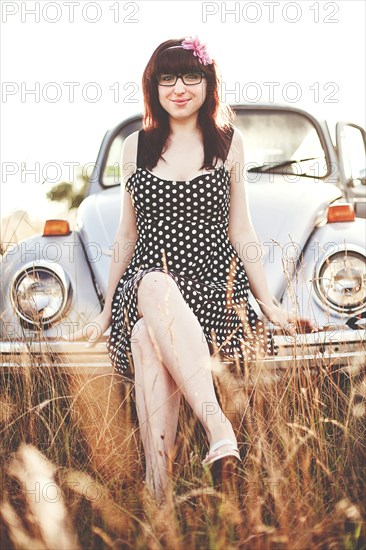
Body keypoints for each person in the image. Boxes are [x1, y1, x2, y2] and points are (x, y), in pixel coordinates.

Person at [72, 36, 316, 503]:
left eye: (192, 76)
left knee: (147, 337)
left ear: (208, 84)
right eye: (168, 77)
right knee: (151, 293)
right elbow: (126, 234)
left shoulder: (228, 141)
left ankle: (157, 493)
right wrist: (104, 314)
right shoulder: (136, 145)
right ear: (154, 86)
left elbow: (241, 227)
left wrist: (268, 303)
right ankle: (217, 428)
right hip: (147, 285)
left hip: (212, 291)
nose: (179, 88)